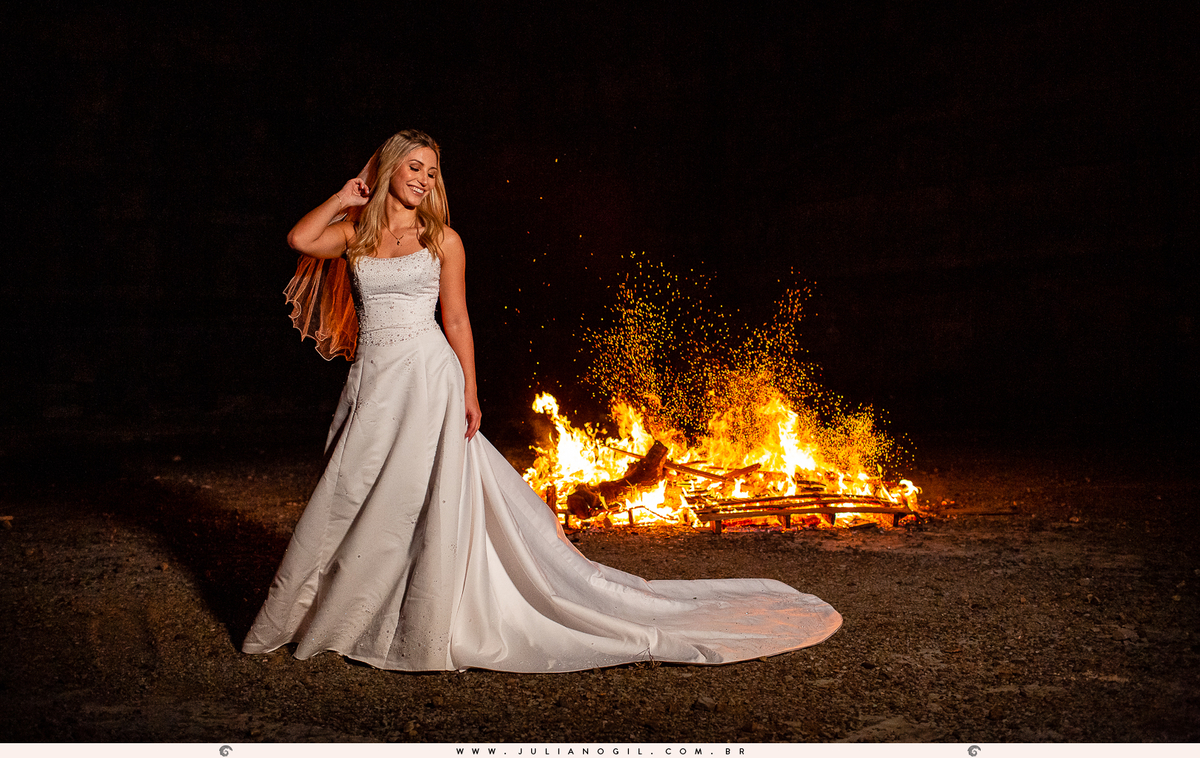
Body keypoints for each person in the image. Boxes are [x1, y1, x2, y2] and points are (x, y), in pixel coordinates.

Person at [242, 129, 842, 672]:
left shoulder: (443, 239)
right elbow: (299, 237)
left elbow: (456, 318)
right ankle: (337, 611)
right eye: (415, 169)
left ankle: (408, 618)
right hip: (373, 380)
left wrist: (470, 390)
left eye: (432, 172)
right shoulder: (357, 234)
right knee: (350, 491)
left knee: (413, 499)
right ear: (390, 170)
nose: (424, 180)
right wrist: (348, 194)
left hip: (429, 378)